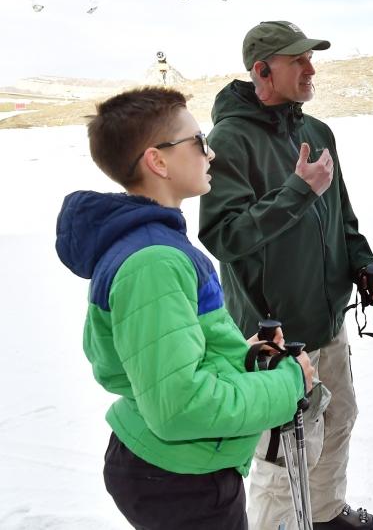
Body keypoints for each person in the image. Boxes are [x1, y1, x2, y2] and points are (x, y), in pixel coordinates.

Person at [55, 86, 314, 530]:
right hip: (180, 478)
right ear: (158, 161)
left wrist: (237, 352)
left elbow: (161, 353)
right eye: (198, 142)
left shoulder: (153, 246)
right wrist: (292, 381)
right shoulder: (154, 260)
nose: (209, 154)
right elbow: (179, 407)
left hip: (177, 469)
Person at [198, 21, 373, 530]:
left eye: (311, 58)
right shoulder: (228, 140)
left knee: (337, 420)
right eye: (298, 60)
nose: (311, 68)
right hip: (272, 332)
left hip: (326, 319)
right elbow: (224, 235)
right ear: (263, 70)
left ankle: (326, 516)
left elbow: (341, 218)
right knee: (283, 451)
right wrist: (297, 192)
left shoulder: (316, 132)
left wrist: (363, 263)